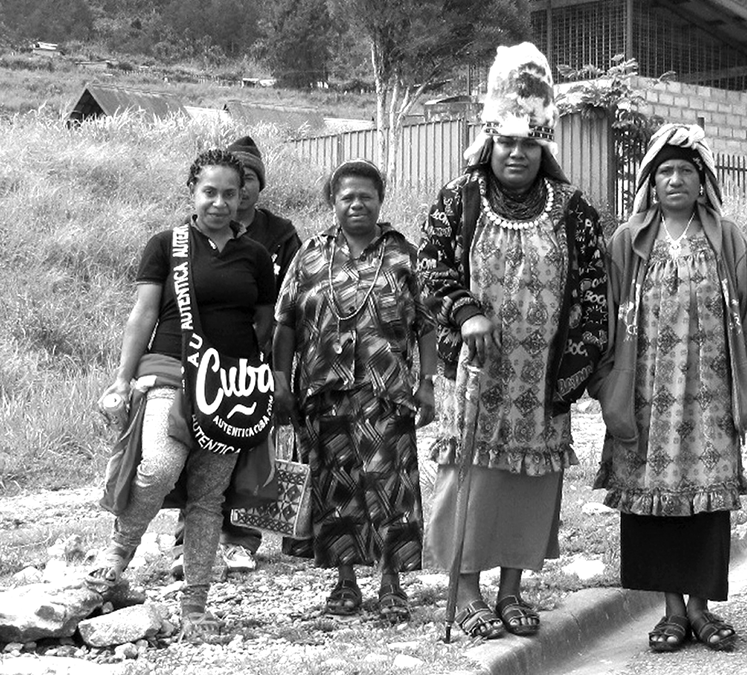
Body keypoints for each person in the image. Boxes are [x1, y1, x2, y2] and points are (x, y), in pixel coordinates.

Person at [418, 42, 607, 640]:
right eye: (507, 142)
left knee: (529, 485)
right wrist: (466, 312)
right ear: (489, 143)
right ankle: (468, 592)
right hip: (475, 376)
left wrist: (572, 370)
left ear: (544, 145)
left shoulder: (573, 209)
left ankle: (512, 591)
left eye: (529, 142)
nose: (517, 153)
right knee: (469, 480)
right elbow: (428, 273)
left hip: (539, 380)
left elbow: (594, 296)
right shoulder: (460, 199)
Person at [591, 123, 747, 653]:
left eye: (686, 171)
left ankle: (702, 610)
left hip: (710, 400)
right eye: (665, 171)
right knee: (650, 506)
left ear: (703, 181)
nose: (675, 179)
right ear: (650, 181)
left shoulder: (727, 237)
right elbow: (602, 317)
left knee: (706, 506)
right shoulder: (628, 242)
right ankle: (671, 611)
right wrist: (606, 386)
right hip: (645, 400)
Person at [93, 149, 278, 642]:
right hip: (170, 371)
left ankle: (196, 603)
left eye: (230, 194)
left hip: (229, 388)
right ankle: (120, 547)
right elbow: (143, 314)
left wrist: (265, 381)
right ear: (192, 193)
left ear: (243, 198)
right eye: (209, 192)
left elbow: (264, 323)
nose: (219, 203)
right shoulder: (166, 244)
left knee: (208, 497)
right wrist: (121, 378)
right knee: (159, 464)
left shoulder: (256, 256)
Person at [272, 159, 436, 621]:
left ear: (380, 201)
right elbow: (286, 323)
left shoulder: (403, 255)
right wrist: (281, 380)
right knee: (336, 485)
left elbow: (426, 324)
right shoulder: (309, 254)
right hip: (326, 392)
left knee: (391, 486)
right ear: (333, 202)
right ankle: (345, 583)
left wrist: (427, 384)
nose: (357, 203)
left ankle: (391, 584)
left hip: (386, 392)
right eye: (347, 196)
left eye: (366, 195)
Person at [170, 135, 302, 578]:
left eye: (246, 181)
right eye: (228, 183)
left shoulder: (279, 235)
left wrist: (272, 365)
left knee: (246, 446)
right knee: (196, 444)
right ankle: (189, 537)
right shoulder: (190, 236)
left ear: (258, 185)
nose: (237, 192)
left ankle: (242, 538)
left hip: (252, 361)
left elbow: (285, 305)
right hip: (200, 361)